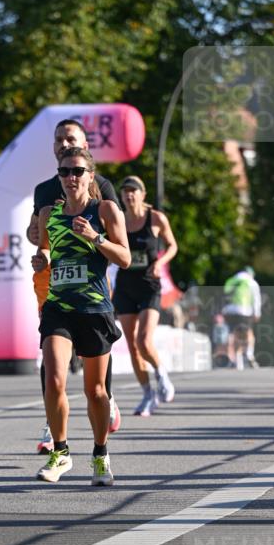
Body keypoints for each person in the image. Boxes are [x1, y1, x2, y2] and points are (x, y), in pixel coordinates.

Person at [32, 147, 130, 485]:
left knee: (97, 392)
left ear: (90, 176)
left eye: (77, 171)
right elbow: (46, 248)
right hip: (59, 305)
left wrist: (95, 236)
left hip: (94, 309)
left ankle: (100, 454)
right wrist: (42, 259)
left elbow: (125, 258)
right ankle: (60, 452)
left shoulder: (104, 209)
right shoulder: (49, 213)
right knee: (54, 378)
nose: (70, 177)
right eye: (64, 172)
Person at [113, 175, 177, 414]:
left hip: (149, 285)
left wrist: (161, 263)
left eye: (133, 191)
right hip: (125, 285)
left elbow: (172, 245)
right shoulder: (117, 219)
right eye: (125, 191)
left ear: (142, 194)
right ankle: (147, 394)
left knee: (143, 339)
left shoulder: (156, 218)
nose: (129, 195)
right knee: (132, 345)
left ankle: (161, 374)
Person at [222, 265, 261, 369]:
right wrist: (257, 313)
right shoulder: (251, 282)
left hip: (230, 311)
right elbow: (256, 298)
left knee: (234, 334)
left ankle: (237, 360)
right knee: (248, 333)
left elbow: (224, 295)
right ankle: (249, 354)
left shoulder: (231, 280)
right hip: (244, 310)